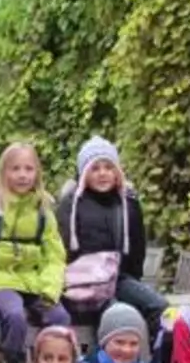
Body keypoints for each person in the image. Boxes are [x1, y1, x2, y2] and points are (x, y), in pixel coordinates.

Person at [0, 142, 69, 363]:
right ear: (3, 172)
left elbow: (54, 256)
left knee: (59, 318)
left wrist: (50, 290)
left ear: (37, 173)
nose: (22, 175)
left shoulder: (43, 211)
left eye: (28, 169)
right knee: (15, 316)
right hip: (1, 280)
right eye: (15, 169)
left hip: (35, 283)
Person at [56, 136, 166, 335]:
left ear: (117, 171)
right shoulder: (70, 205)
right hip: (84, 280)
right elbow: (61, 248)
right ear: (83, 173)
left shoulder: (129, 204)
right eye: (95, 168)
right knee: (116, 319)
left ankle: (151, 359)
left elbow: (136, 249)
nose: (102, 173)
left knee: (159, 308)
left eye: (108, 167)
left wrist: (132, 284)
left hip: (119, 278)